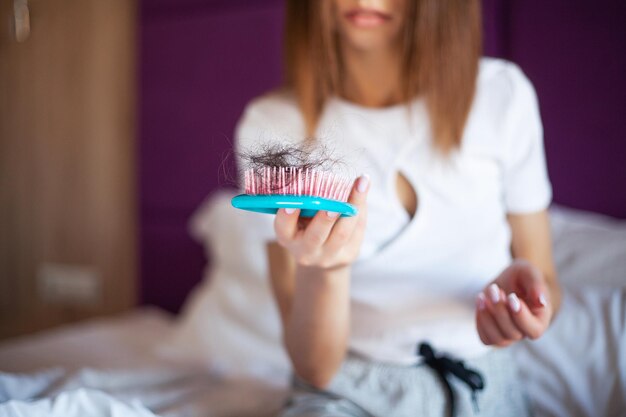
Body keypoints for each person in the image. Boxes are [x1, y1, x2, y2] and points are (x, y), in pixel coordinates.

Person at [235, 0, 561, 416]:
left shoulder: (502, 96)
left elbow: (547, 279)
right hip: (344, 395)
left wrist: (530, 306)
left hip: (482, 387)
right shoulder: (274, 126)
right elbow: (315, 367)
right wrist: (327, 269)